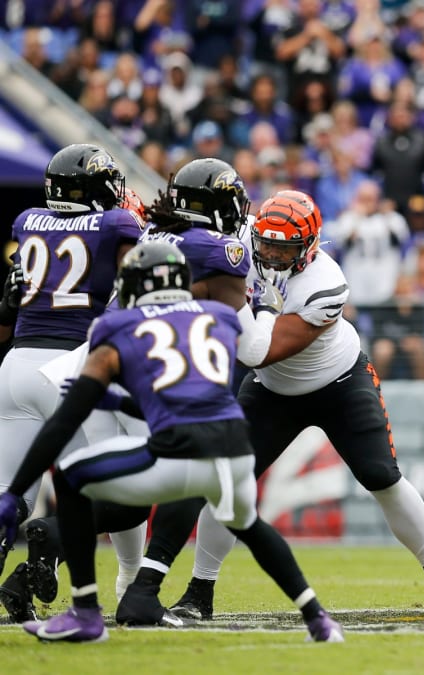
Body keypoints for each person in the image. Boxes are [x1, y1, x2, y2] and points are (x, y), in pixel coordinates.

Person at [0, 241, 343, 643]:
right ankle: (318, 619)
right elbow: (193, 393)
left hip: (175, 454)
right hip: (231, 451)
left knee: (73, 475)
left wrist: (14, 493)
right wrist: (265, 310)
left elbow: (64, 421)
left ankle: (86, 613)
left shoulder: (117, 327)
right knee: (247, 523)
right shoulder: (219, 316)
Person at [173, 190, 424, 617]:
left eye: (285, 247)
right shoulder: (240, 241)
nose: (273, 254)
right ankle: (199, 592)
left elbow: (261, 351)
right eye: (268, 243)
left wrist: (252, 307)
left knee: (381, 476)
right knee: (228, 483)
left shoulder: (325, 284)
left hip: (338, 381)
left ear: (309, 247)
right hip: (272, 389)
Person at [111, 157, 279, 626]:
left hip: (103, 363)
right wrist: (264, 306)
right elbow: (253, 350)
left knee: (127, 493)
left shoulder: (152, 235)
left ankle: (51, 553)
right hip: (155, 376)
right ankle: (142, 587)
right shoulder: (217, 248)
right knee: (199, 477)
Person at [0, 144, 147, 623]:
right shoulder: (115, 225)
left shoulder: (27, 222)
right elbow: (136, 285)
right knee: (116, 491)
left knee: (8, 495)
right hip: (73, 368)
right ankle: (120, 580)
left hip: (17, 365)